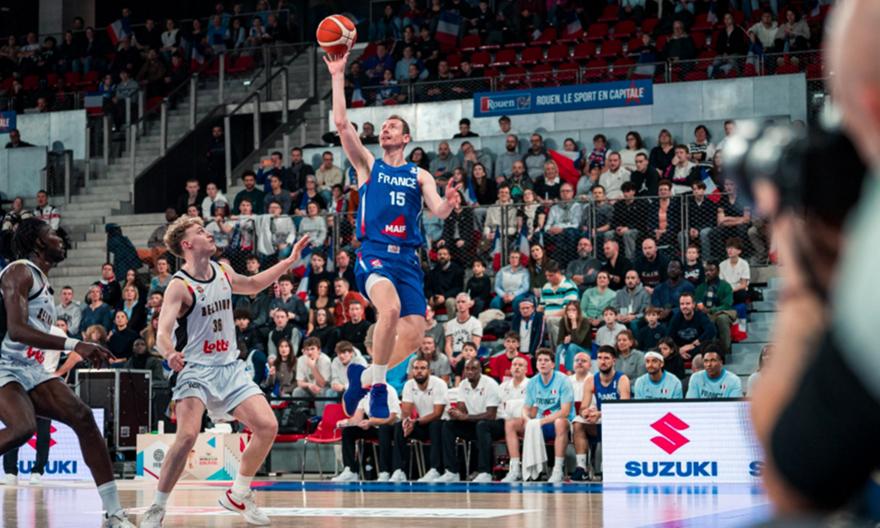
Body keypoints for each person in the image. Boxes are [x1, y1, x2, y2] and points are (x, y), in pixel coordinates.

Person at [139, 216, 309, 527]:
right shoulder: (179, 285)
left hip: (229, 367)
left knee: (267, 426)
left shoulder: (223, 271)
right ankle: (157, 507)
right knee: (187, 436)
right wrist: (169, 352)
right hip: (195, 369)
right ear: (187, 244)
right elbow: (162, 331)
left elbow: (254, 284)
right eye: (201, 231)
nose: (209, 234)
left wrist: (288, 262)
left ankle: (238, 493)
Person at [0, 218, 135, 526]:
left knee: (83, 418)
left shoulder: (42, 281)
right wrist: (76, 344)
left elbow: (32, 333)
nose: (60, 238)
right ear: (38, 243)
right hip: (3, 364)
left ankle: (114, 513)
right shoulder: (19, 272)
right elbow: (17, 329)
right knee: (23, 428)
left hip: (29, 367)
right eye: (52, 234)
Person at [502, 349, 574, 483]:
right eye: (540, 360)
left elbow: (565, 411)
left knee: (560, 422)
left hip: (560, 424)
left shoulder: (563, 380)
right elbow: (526, 407)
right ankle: (515, 469)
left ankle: (558, 470)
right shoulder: (533, 382)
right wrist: (526, 418)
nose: (542, 363)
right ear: (536, 364)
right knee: (510, 423)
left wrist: (542, 421)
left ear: (553, 364)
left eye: (546, 360)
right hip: (539, 423)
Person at [433, 358, 501, 483]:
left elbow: (491, 415)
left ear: (480, 370)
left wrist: (465, 417)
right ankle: (452, 471)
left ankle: (485, 472)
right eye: (467, 369)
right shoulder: (463, 384)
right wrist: (455, 414)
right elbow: (462, 410)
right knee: (448, 426)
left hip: (496, 424)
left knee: (482, 425)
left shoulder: (490, 384)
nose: (469, 372)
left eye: (473, 369)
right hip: (475, 423)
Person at [388, 357, 447, 482]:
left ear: (429, 371)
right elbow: (406, 411)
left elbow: (437, 413)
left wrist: (415, 421)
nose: (419, 371)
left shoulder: (439, 384)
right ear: (412, 371)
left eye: (422, 368)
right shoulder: (409, 385)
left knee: (435, 425)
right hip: (421, 423)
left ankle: (435, 470)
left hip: (442, 425)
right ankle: (399, 470)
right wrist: (407, 423)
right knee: (399, 426)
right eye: (416, 368)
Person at [473, 355, 530, 483]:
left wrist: (511, 407)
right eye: (514, 365)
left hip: (524, 422)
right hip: (504, 420)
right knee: (483, 425)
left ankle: (516, 469)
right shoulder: (503, 386)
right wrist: (514, 407)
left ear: (526, 369)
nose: (517, 367)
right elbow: (499, 409)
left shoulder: (531, 385)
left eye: (520, 365)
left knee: (512, 423)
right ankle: (485, 472)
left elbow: (529, 408)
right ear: (510, 368)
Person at [331, 384, 401, 482]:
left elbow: (393, 417)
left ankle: (384, 472)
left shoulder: (389, 390)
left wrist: (372, 422)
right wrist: (346, 422)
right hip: (373, 426)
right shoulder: (363, 393)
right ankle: (350, 470)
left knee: (383, 429)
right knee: (348, 431)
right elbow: (357, 418)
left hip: (392, 427)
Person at [695, 260, 737, 356]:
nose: (708, 273)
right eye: (706, 271)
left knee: (722, 319)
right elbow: (697, 301)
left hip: (722, 312)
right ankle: (707, 352)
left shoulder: (726, 286)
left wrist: (711, 310)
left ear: (718, 271)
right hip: (704, 313)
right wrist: (700, 307)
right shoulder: (700, 288)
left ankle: (726, 351)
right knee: (703, 319)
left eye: (711, 270)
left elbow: (727, 304)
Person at [668, 292, 717, 371]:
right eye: (682, 304)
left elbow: (711, 330)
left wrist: (693, 344)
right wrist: (678, 350)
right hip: (681, 349)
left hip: (698, 348)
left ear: (693, 305)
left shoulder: (700, 316)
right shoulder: (676, 318)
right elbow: (669, 337)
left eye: (687, 304)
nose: (684, 306)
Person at [539, 260, 579, 348]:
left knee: (551, 320)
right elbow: (541, 307)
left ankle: (558, 349)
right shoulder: (546, 287)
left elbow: (568, 310)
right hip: (546, 317)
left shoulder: (569, 286)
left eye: (551, 275)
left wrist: (549, 316)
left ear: (558, 273)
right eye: (546, 276)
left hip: (565, 318)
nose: (548, 278)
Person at [292, 337, 334, 416]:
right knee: (297, 391)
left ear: (319, 350)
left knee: (321, 392)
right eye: (307, 349)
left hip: (324, 389)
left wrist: (312, 367)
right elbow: (299, 383)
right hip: (311, 388)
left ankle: (320, 418)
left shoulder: (325, 360)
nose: (309, 352)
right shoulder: (301, 360)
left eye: (312, 349)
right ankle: (302, 415)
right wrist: (309, 385)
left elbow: (322, 384)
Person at [444, 293, 483, 368]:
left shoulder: (476, 323)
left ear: (469, 304)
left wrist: (460, 357)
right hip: (454, 353)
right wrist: (450, 357)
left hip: (469, 353)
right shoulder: (450, 324)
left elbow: (475, 344)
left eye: (463, 302)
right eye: (458, 302)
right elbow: (448, 343)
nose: (460, 304)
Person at [719, 237, 751, 305]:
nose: (729, 250)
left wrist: (732, 290)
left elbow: (743, 284)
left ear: (739, 251)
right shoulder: (722, 265)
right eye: (728, 248)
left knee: (742, 294)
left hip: (737, 291)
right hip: (726, 291)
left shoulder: (744, 264)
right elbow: (722, 283)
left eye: (732, 248)